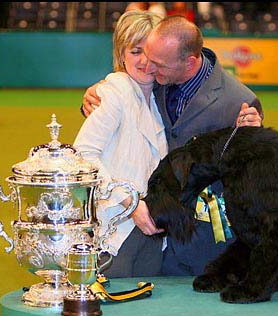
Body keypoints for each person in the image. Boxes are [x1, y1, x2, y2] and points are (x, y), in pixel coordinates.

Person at [81, 15, 264, 276]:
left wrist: (254, 138)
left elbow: (252, 169)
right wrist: (97, 94)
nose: (148, 64)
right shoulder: (152, 81)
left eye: (156, 60)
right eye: (139, 53)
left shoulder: (240, 100)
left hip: (205, 243)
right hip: (144, 233)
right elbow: (102, 130)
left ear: (187, 61)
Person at [73, 10, 167, 278]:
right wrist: (131, 204)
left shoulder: (160, 96)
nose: (145, 61)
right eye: (136, 51)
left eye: (151, 52)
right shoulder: (113, 92)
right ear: (121, 54)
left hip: (152, 232)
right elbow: (84, 155)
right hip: (115, 230)